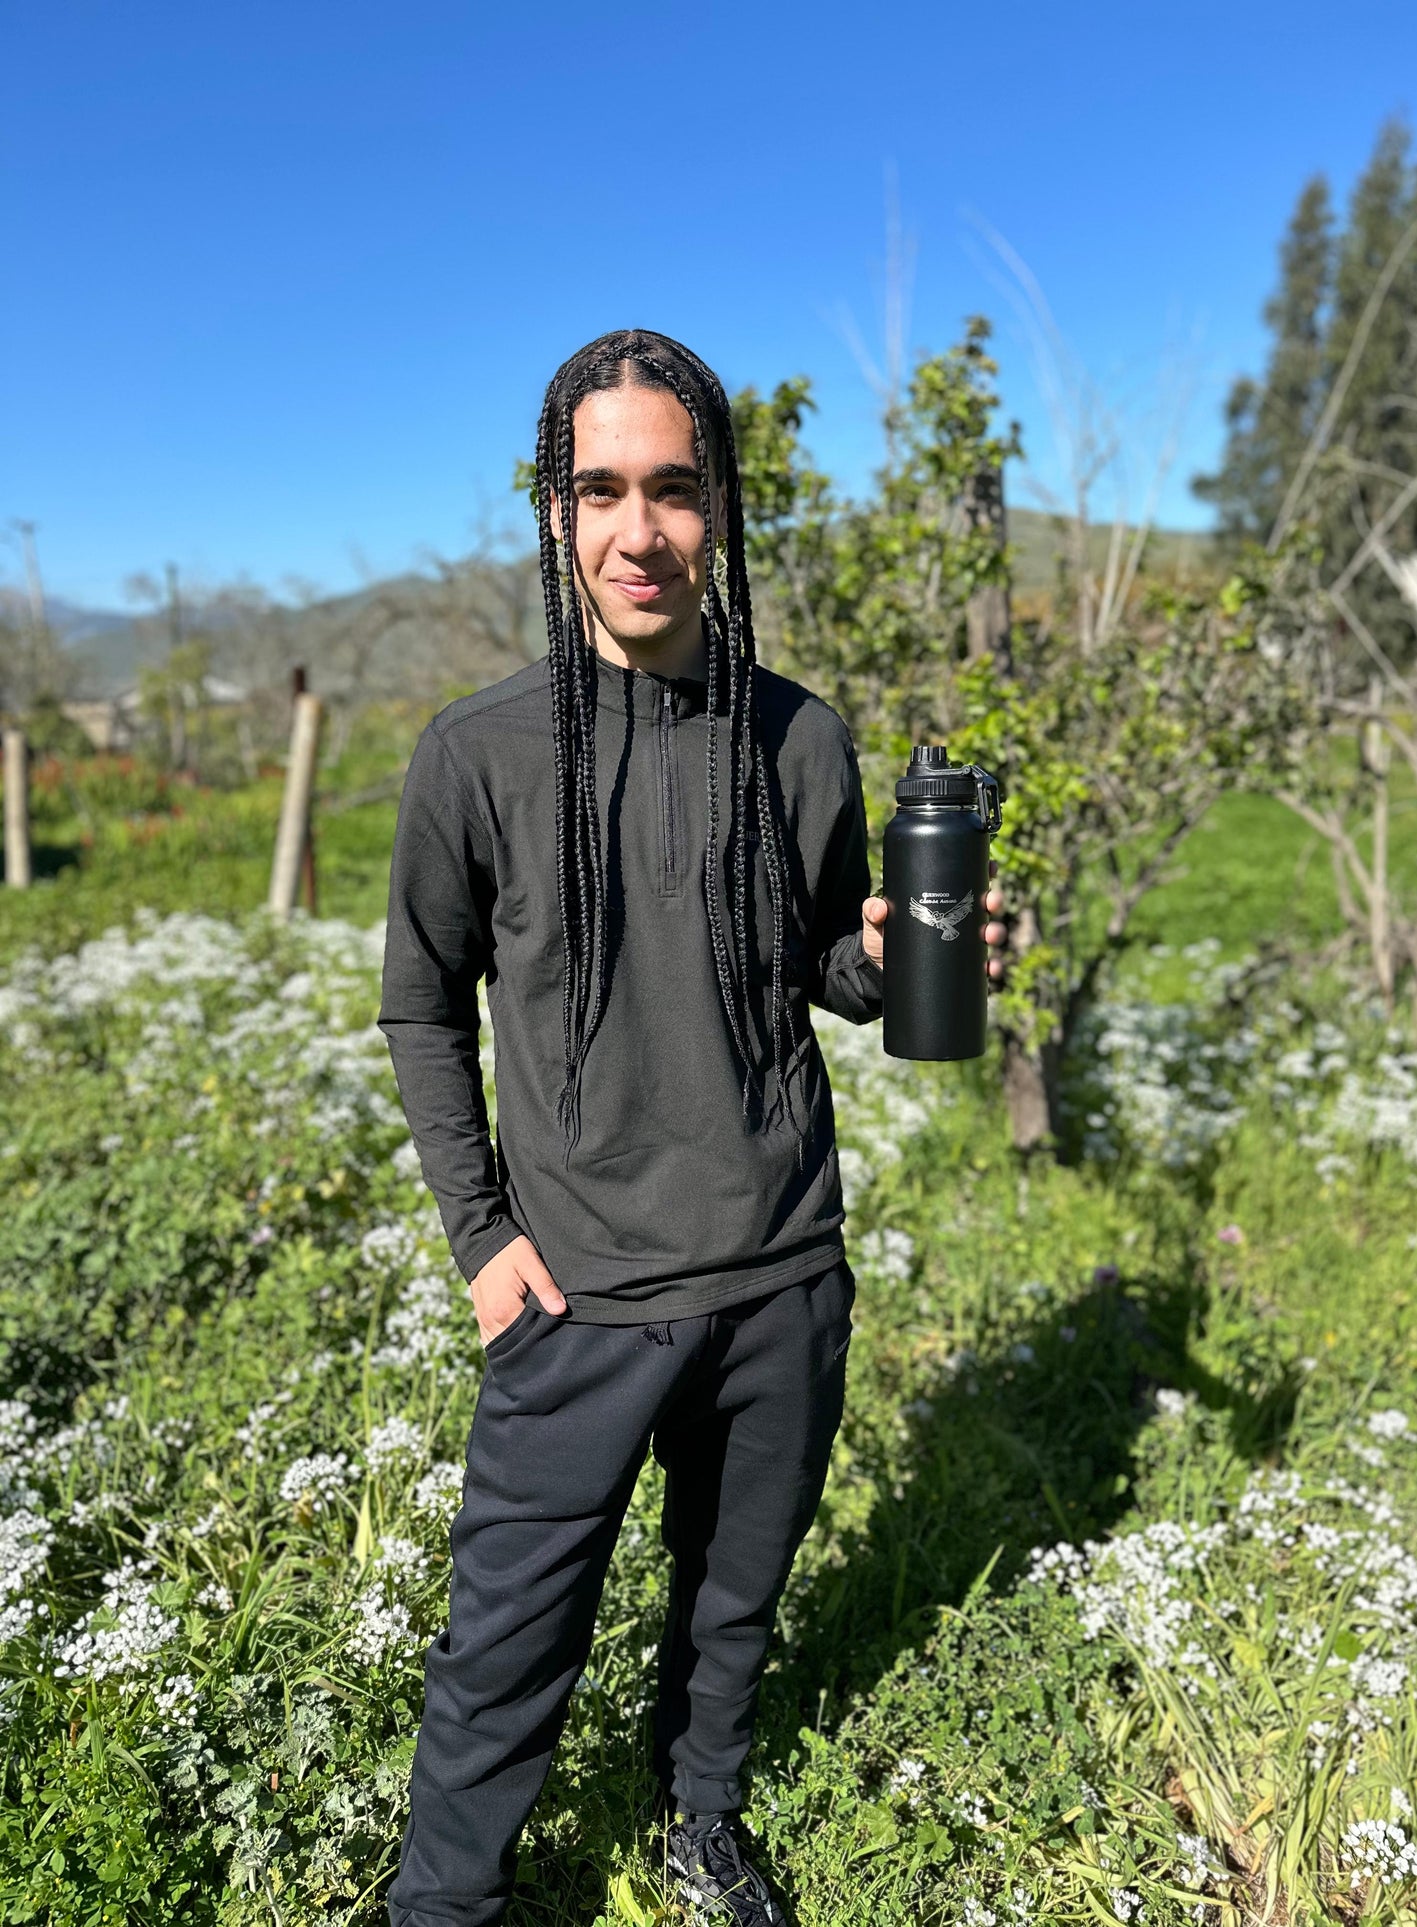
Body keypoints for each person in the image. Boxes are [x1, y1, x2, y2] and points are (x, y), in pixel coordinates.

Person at [377, 328, 1008, 1927]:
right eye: (599, 490)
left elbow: (822, 966)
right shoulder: (477, 753)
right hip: (578, 1291)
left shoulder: (799, 737)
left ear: (719, 508)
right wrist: (482, 1234)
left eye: (672, 489)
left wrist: (906, 954)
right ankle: (442, 1904)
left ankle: (699, 1822)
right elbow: (419, 1005)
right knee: (508, 1633)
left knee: (734, 1606)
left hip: (780, 1268)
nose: (636, 530)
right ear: (552, 510)